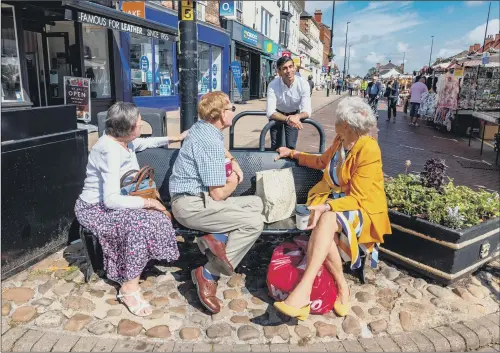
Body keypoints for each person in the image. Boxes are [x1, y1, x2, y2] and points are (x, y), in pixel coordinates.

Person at [273, 97, 391, 320]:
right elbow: (321, 162)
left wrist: (327, 205)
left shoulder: (369, 149)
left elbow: (359, 197)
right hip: (336, 202)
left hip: (362, 209)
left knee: (325, 219)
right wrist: (293, 153)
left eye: (338, 119)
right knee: (325, 224)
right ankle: (342, 286)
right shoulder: (341, 139)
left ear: (346, 124)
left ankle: (303, 290)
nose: (335, 122)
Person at [74, 102, 185, 317]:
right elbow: (111, 200)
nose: (141, 123)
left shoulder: (123, 141)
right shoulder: (109, 151)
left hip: (119, 201)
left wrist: (174, 138)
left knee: (157, 218)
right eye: (138, 121)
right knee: (140, 224)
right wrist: (149, 202)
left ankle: (140, 262)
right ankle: (128, 287)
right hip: (95, 209)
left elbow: (141, 143)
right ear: (129, 129)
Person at [169, 91, 264, 314]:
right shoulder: (209, 139)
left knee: (257, 204)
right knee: (254, 223)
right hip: (191, 205)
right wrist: (236, 178)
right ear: (221, 114)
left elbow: (219, 148)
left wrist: (232, 160)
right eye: (231, 108)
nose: (234, 111)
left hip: (196, 201)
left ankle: (215, 240)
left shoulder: (202, 128)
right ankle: (208, 272)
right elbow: (219, 194)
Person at [266, 56, 312, 150]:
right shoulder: (272, 85)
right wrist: (287, 119)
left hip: (294, 114)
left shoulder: (303, 84)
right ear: (279, 72)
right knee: (275, 147)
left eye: (291, 66)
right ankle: (275, 163)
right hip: (277, 115)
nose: (289, 71)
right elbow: (270, 112)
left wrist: (297, 117)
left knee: (291, 146)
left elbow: (307, 111)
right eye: (285, 68)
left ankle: (288, 164)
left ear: (294, 68)